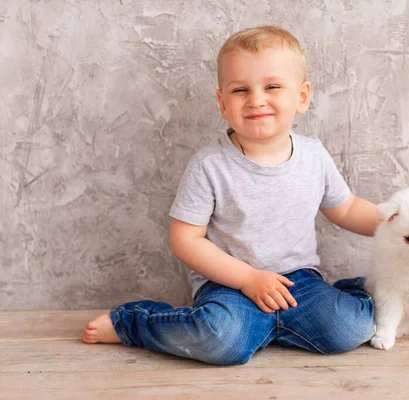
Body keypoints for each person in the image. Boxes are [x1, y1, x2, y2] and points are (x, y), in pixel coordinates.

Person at [81, 25, 379, 365]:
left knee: (350, 328)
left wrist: (401, 223)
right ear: (222, 103)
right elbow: (185, 240)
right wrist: (248, 278)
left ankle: (368, 292)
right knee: (220, 342)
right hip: (229, 284)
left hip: (297, 283)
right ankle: (133, 322)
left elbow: (347, 208)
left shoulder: (314, 155)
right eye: (240, 90)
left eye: (272, 86)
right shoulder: (210, 166)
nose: (256, 99)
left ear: (302, 96)